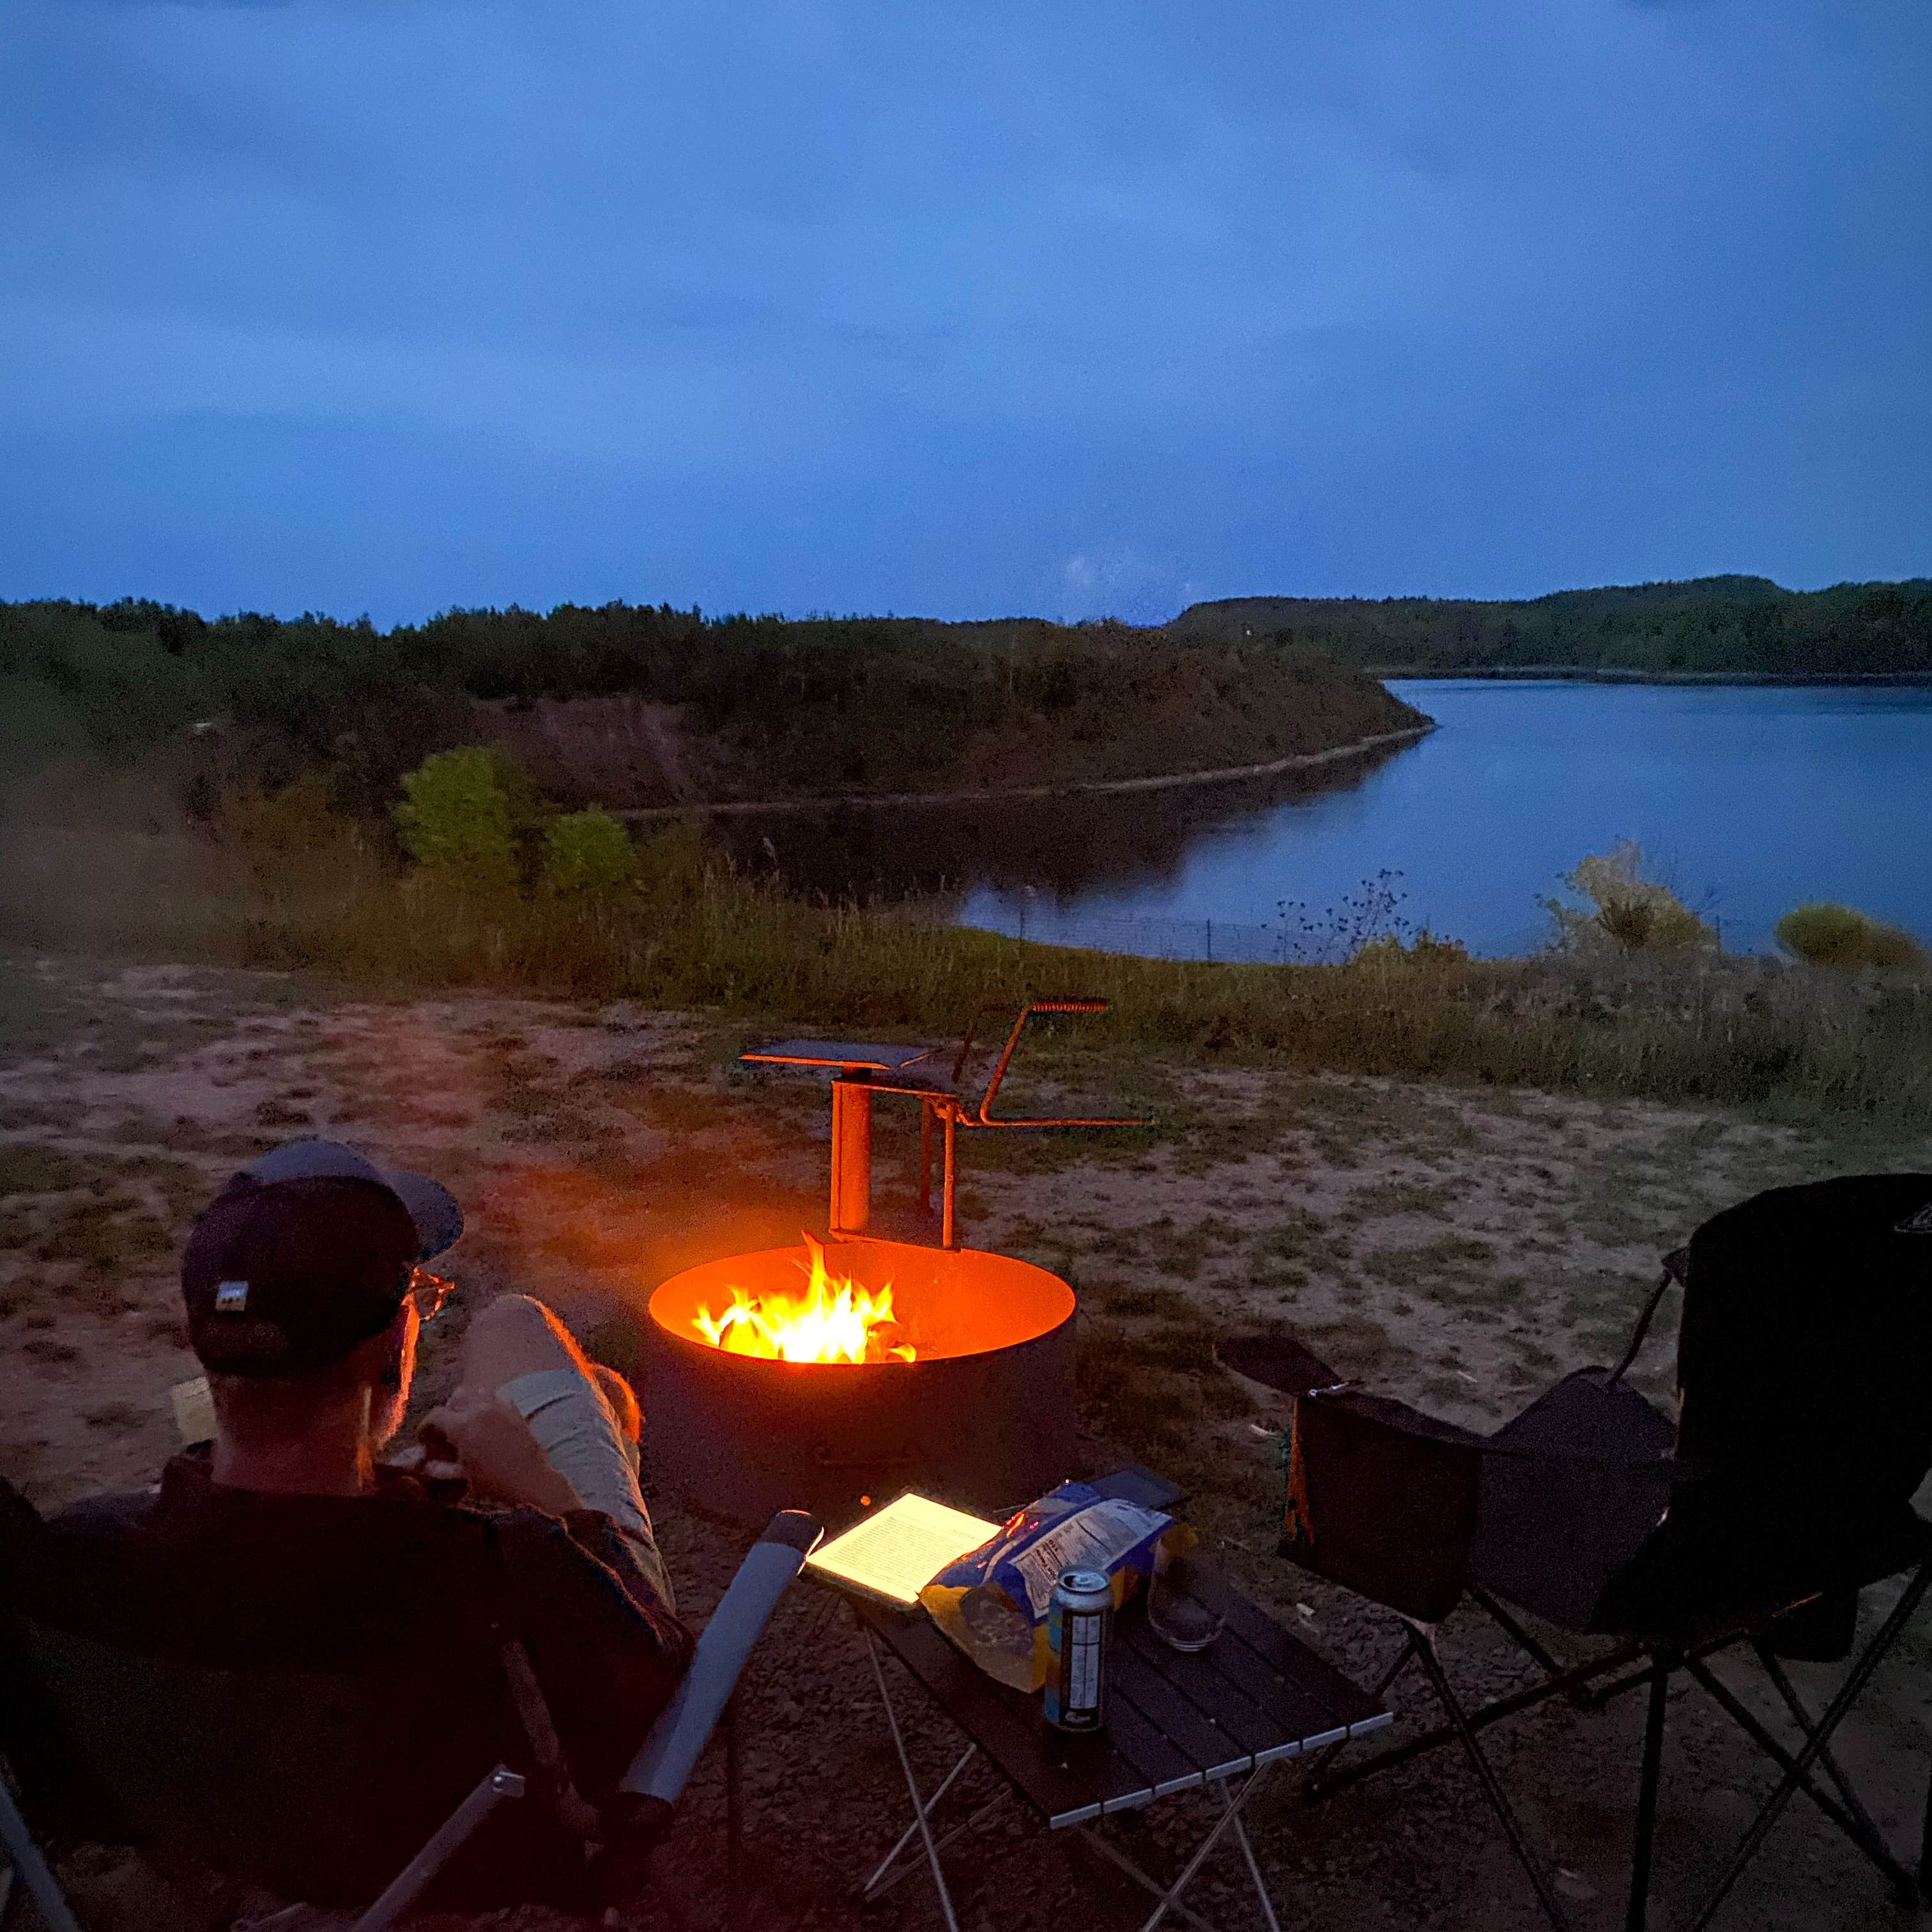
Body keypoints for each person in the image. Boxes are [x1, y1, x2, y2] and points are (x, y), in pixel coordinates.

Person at [45, 1137, 693, 1837]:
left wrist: (395, 1490)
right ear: (390, 1351)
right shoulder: (510, 1565)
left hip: (244, 1831)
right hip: (479, 1853)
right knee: (524, 1333)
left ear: (200, 1339)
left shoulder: (86, 1554)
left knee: (599, 1392)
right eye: (418, 1297)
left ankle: (605, 1407)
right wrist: (556, 1499)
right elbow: (661, 1667)